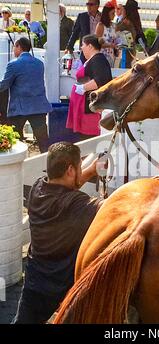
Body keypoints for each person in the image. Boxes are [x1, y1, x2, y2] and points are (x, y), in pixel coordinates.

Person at [12, 142, 102, 324]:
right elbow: (113, 207)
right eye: (78, 167)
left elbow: (65, 189)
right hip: (63, 290)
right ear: (70, 170)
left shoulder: (37, 188)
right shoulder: (78, 204)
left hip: (34, 284)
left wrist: (91, 170)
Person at [0, 37, 51, 153]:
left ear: (18, 47)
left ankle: (19, 166)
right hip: (39, 106)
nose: (13, 50)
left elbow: (4, 85)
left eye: (14, 47)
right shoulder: (39, 63)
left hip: (20, 107)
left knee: (16, 142)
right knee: (43, 141)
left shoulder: (13, 64)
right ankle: (48, 167)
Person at [66, 34, 112, 141]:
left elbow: (101, 79)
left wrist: (83, 88)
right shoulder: (93, 59)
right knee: (83, 138)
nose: (81, 48)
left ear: (90, 46)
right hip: (85, 106)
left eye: (83, 45)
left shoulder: (98, 60)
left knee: (89, 139)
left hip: (91, 109)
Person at [95, 1, 118, 67]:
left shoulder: (114, 25)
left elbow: (115, 39)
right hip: (101, 56)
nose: (114, 15)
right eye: (112, 13)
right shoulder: (100, 25)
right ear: (107, 14)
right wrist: (110, 45)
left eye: (114, 13)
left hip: (111, 56)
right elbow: (97, 43)